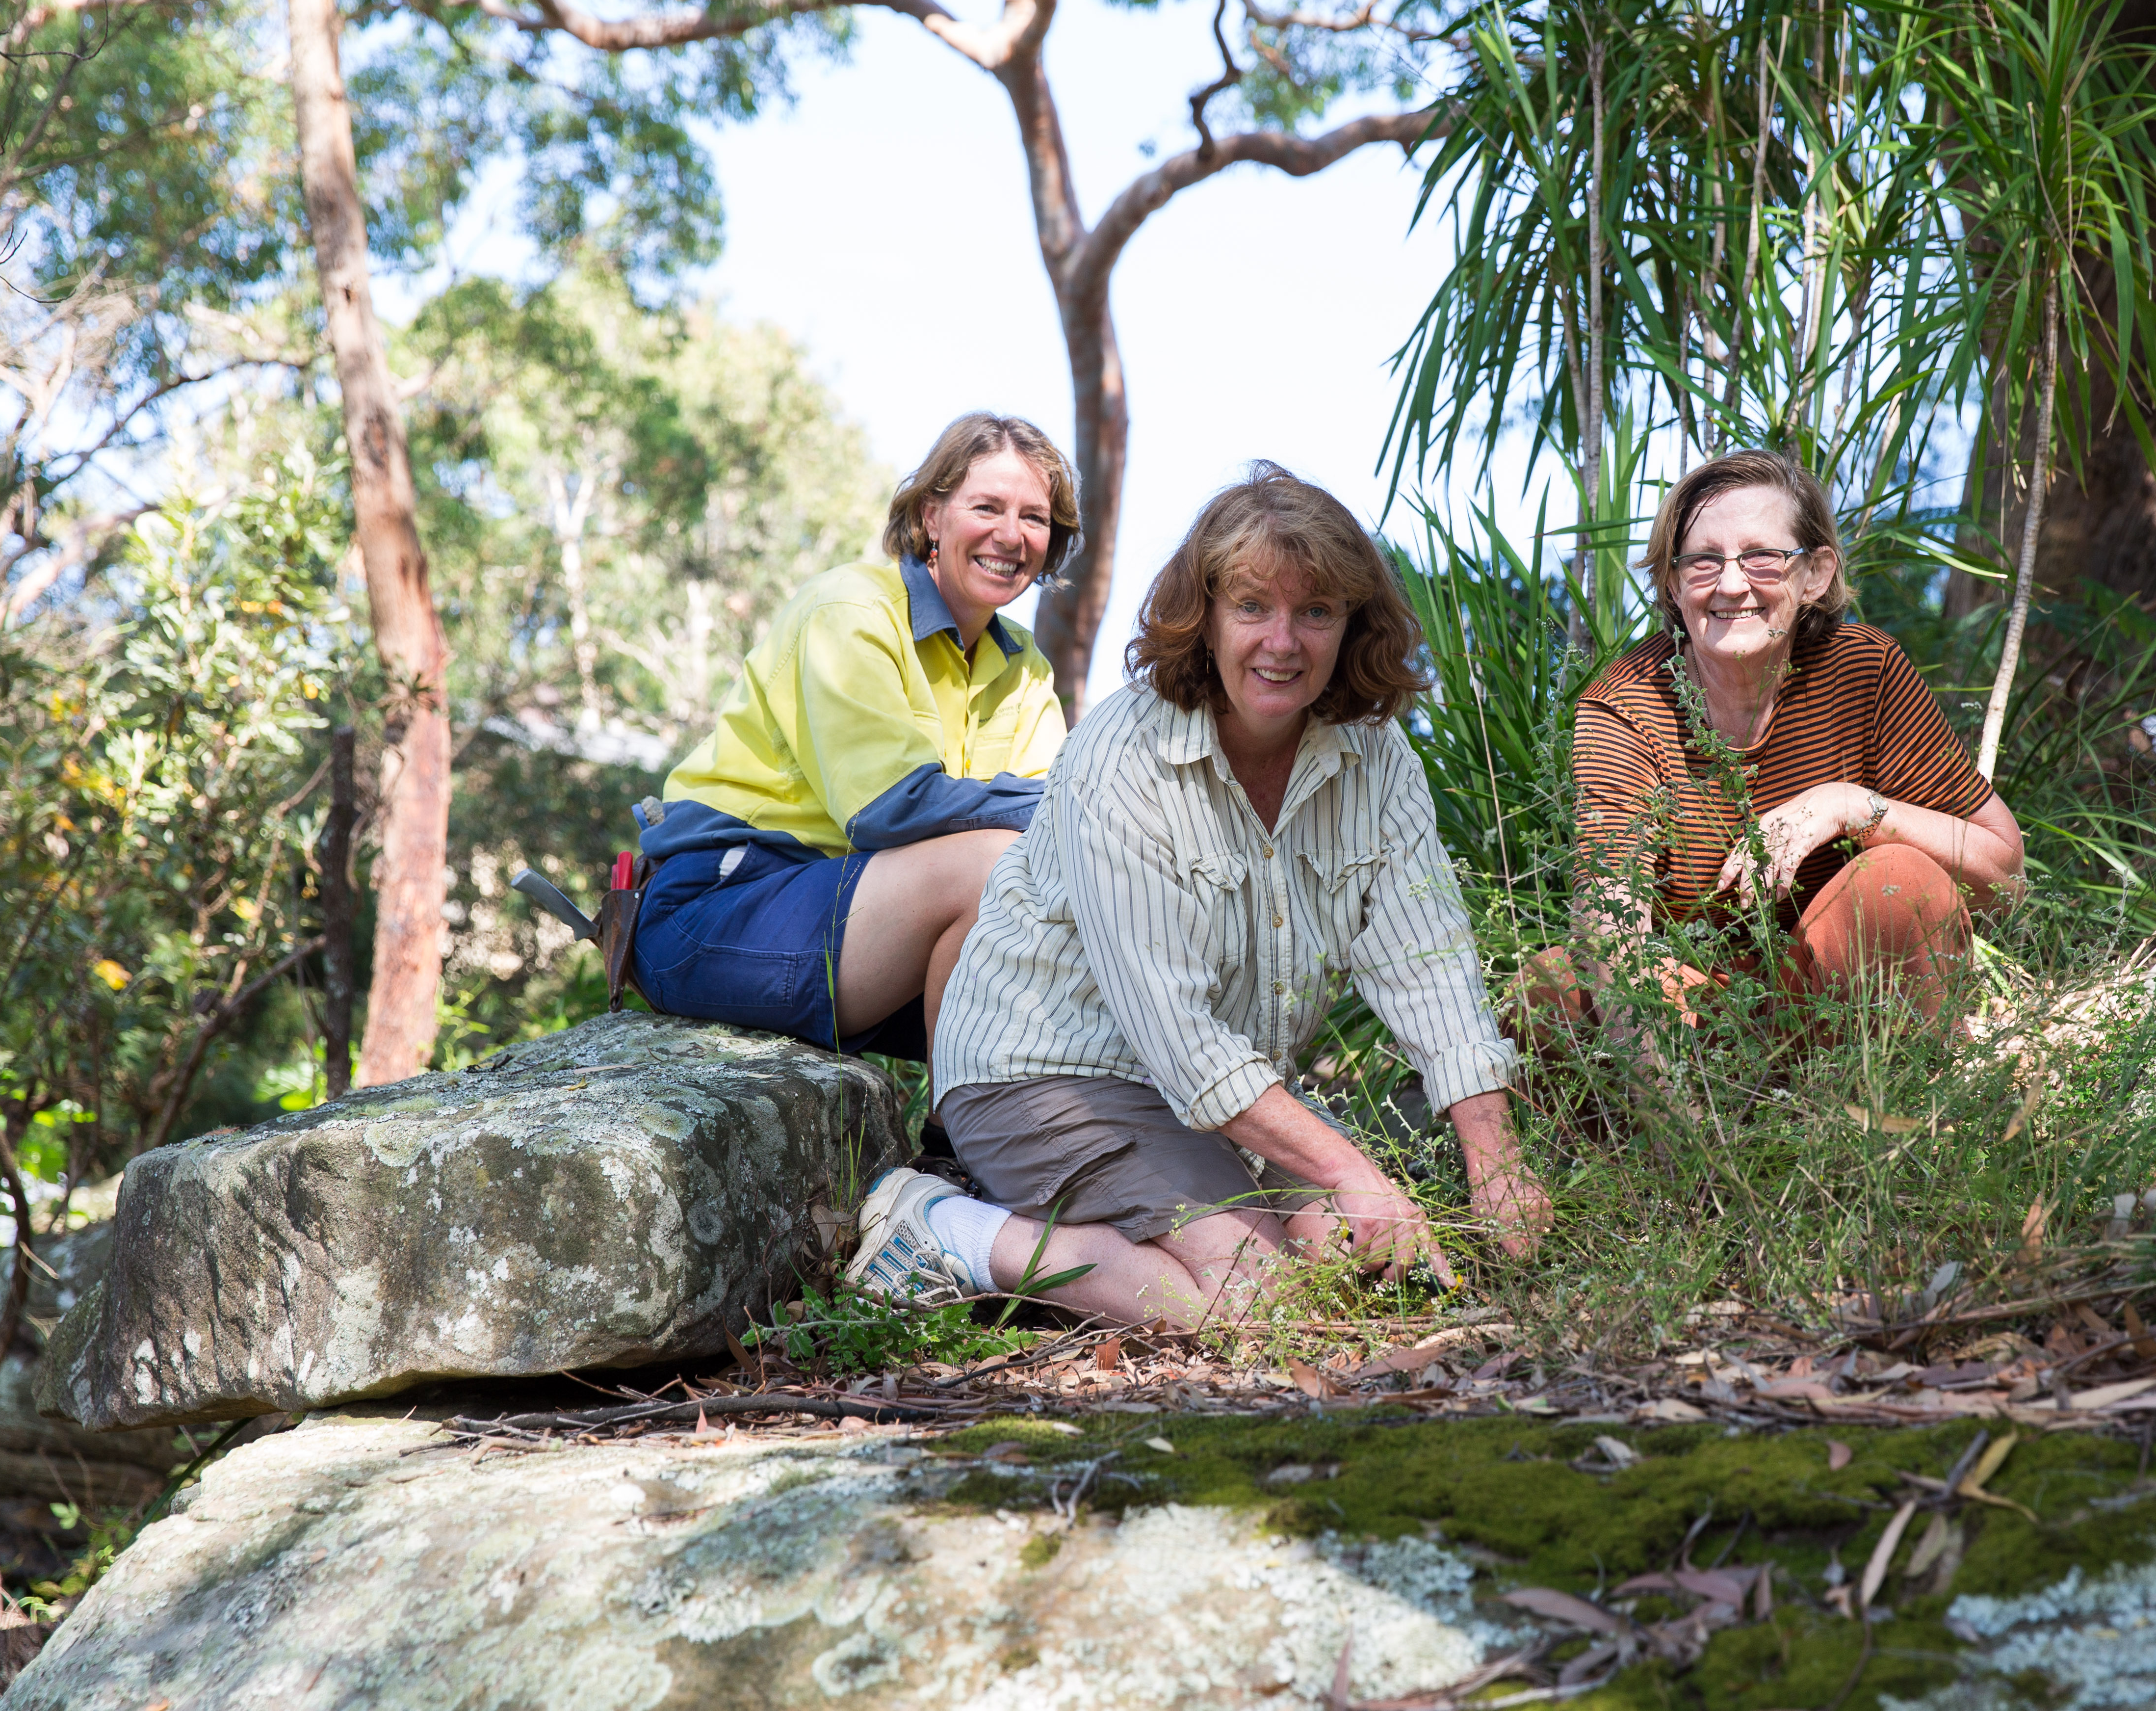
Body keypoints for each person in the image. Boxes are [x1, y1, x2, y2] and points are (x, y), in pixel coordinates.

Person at [847, 465, 1553, 1329]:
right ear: (1207, 617)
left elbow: (1427, 961)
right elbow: (1176, 1038)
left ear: (1351, 624)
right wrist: (1355, 1172)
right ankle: (950, 1229)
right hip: (1044, 1078)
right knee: (1257, 1302)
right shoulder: (1123, 757)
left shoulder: (1375, 757)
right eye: (1252, 607)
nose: (1283, 642)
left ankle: (1141, 1242)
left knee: (1373, 1273)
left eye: (1317, 611)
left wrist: (1497, 1163)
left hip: (1224, 1095)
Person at [1536, 448, 2025, 1050]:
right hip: (1692, 1024)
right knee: (1554, 983)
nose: (1733, 583)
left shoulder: (1862, 671)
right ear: (1671, 581)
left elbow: (2003, 877)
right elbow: (1608, 921)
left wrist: (1850, 807)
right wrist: (1675, 1120)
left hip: (1847, 1015)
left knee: (1900, 877)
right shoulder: (1625, 706)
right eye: (1702, 561)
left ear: (1814, 574)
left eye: (1762, 557)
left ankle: (1895, 1122)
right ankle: (1678, 1134)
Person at [629, 413, 1073, 1056]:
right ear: (931, 516)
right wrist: (1077, 806)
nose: (1012, 535)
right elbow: (886, 809)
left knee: (1069, 930)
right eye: (988, 507)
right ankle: (951, 1150)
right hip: (718, 904)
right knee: (994, 865)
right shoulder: (851, 610)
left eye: (1034, 517)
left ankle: (1012, 1145)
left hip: (857, 914)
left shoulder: (1026, 669)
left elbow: (1054, 833)